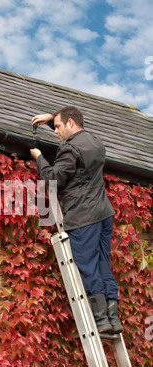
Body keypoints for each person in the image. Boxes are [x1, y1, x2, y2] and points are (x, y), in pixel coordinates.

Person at [30, 106, 123, 334]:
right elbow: (75, 129)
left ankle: (100, 321)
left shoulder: (70, 149)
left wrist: (40, 158)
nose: (56, 132)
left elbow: (54, 178)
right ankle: (113, 319)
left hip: (83, 217)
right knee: (102, 264)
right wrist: (52, 119)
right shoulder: (96, 142)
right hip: (104, 214)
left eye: (59, 127)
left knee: (88, 266)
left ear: (70, 123)